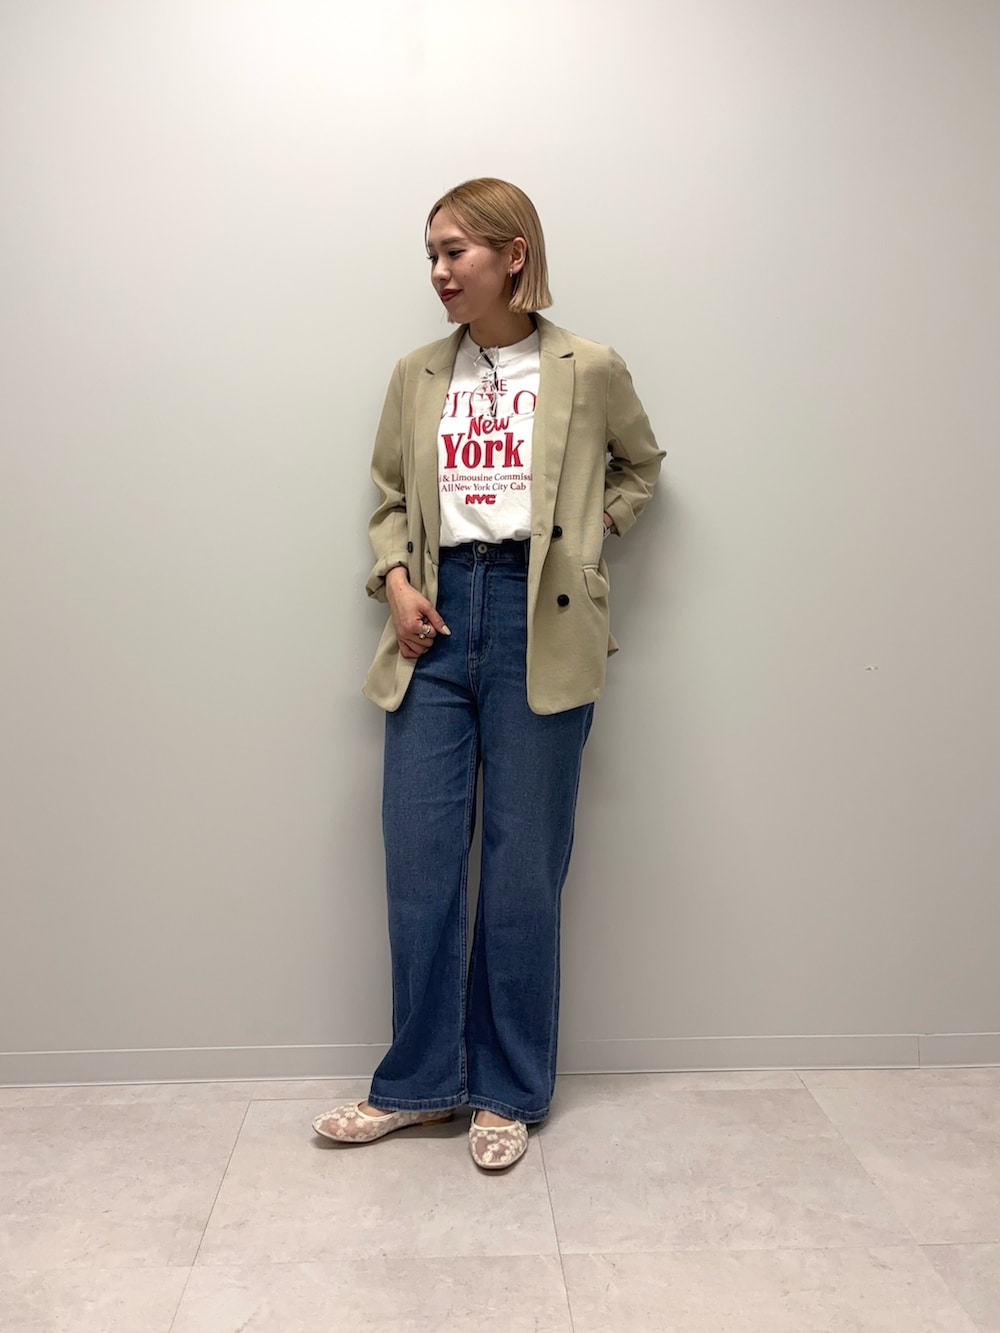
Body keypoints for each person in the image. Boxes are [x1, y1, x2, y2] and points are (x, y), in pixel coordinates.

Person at [313, 178, 663, 1170]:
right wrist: (394, 581)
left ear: (514, 255)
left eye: (454, 250)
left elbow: (641, 466)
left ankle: (508, 1090)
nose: (437, 271)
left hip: (537, 614)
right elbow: (389, 496)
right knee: (420, 861)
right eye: (429, 253)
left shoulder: (588, 367)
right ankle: (420, 1085)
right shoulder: (418, 373)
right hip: (431, 620)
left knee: (521, 871)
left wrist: (592, 538)